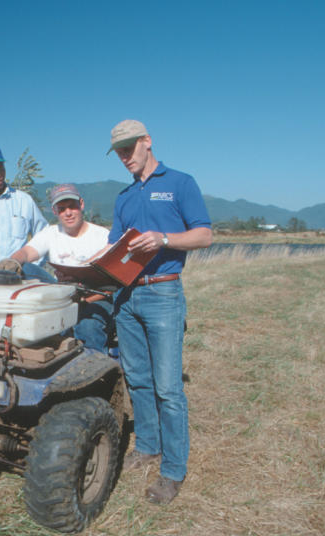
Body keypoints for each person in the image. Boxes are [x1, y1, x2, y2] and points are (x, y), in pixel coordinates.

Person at [106, 119, 212, 504]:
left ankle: (172, 470)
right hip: (126, 298)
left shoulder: (180, 183)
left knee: (168, 387)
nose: (123, 157)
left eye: (128, 148)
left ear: (147, 142)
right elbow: (114, 247)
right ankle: (147, 446)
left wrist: (164, 239)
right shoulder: (123, 197)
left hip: (163, 294)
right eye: (117, 152)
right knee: (137, 378)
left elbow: (204, 234)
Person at [0, 184, 113, 353]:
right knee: (26, 268)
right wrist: (14, 260)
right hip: (63, 294)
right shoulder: (51, 233)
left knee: (88, 326)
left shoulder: (101, 235)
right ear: (55, 211)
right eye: (62, 208)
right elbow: (28, 252)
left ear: (81, 204)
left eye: (72, 206)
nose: (68, 213)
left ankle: (94, 367)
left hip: (96, 297)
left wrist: (83, 301)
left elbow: (112, 284)